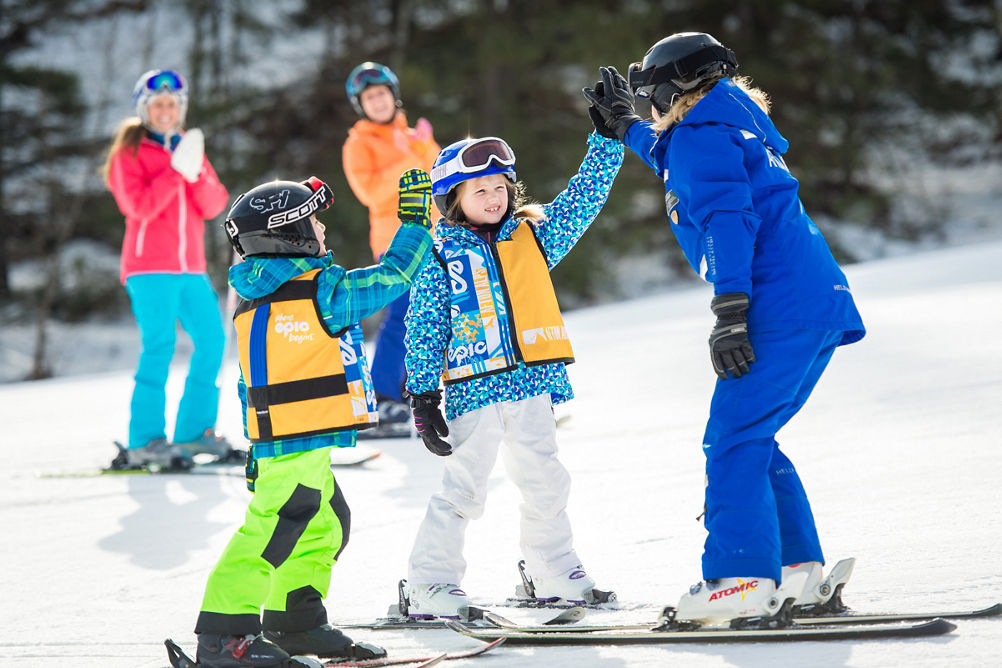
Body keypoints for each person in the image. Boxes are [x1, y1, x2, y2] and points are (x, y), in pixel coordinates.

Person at [585, 32, 866, 625]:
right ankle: (795, 573)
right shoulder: (726, 126)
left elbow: (728, 218)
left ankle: (739, 578)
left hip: (777, 305)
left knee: (733, 439)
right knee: (753, 436)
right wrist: (626, 128)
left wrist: (730, 313)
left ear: (670, 89)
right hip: (817, 301)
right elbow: (683, 161)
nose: (649, 106)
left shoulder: (698, 137)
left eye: (649, 96)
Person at [190, 170, 434, 667]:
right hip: (296, 442)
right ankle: (223, 637)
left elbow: (251, 379)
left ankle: (294, 622)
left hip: (293, 442)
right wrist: (413, 222)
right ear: (289, 233)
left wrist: (259, 449)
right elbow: (393, 277)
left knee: (323, 525)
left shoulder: (255, 296)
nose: (323, 229)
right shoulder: (322, 290)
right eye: (314, 221)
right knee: (276, 528)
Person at [399, 129, 624, 619]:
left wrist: (606, 141)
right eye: (479, 190)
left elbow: (582, 201)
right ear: (452, 199)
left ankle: (554, 571)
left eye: (500, 186)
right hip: (472, 391)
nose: (494, 197)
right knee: (464, 490)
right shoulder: (439, 254)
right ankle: (430, 582)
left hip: (532, 386)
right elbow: (424, 326)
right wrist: (421, 395)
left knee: (546, 481)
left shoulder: (534, 236)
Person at [102, 69, 234, 468]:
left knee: (212, 342)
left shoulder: (187, 148)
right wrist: (175, 171)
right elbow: (138, 206)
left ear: (181, 108)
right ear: (145, 108)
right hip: (149, 268)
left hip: (190, 267)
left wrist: (192, 172)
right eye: (157, 103)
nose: (165, 109)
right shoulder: (131, 151)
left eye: (171, 103)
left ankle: (194, 433)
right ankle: (144, 441)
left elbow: (214, 205)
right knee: (158, 348)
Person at [342, 62, 441, 431]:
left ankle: (419, 392)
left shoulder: (415, 136)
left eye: (382, 93)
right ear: (361, 104)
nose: (378, 102)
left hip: (436, 234)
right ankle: (383, 399)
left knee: (440, 314)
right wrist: (409, 157)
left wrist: (424, 148)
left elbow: (443, 179)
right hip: (395, 241)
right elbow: (369, 191)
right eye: (370, 97)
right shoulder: (359, 144)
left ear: (393, 95)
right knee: (403, 314)